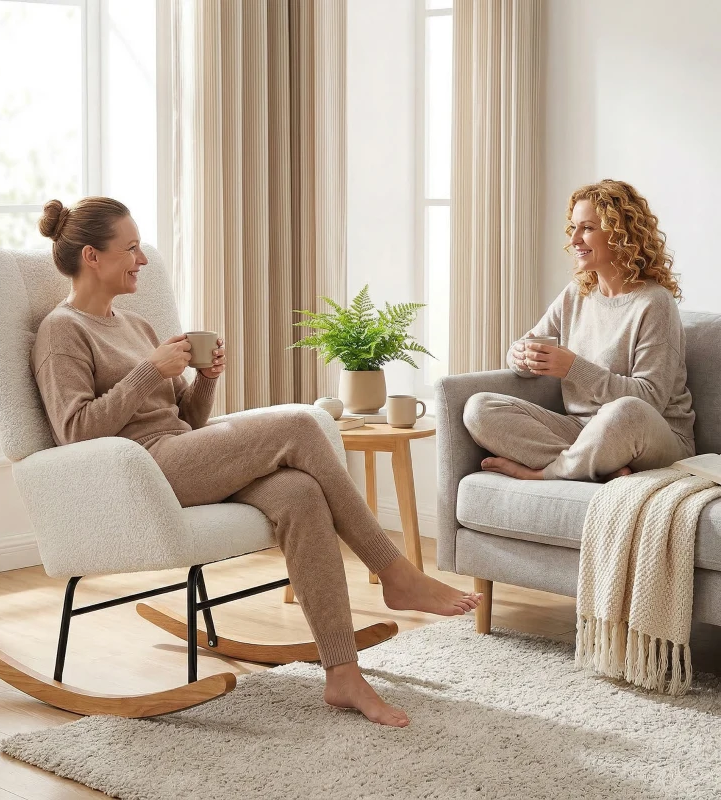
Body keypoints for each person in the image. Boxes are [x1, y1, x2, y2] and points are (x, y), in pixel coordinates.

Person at [32, 196, 482, 728]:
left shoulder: (137, 326)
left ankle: (343, 674)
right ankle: (394, 569)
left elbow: (188, 422)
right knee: (298, 424)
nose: (142, 260)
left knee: (300, 493)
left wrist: (206, 380)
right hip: (141, 473)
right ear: (91, 256)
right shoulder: (62, 332)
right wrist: (150, 373)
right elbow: (76, 431)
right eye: (130, 249)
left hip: (181, 453)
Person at [463, 179, 695, 482]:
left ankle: (545, 473)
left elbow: (649, 400)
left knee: (625, 411)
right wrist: (520, 354)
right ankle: (596, 466)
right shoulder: (577, 294)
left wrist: (574, 368)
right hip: (584, 432)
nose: (574, 239)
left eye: (587, 228)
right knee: (478, 408)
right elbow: (526, 357)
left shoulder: (655, 303)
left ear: (621, 234)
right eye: (573, 228)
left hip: (653, 436)